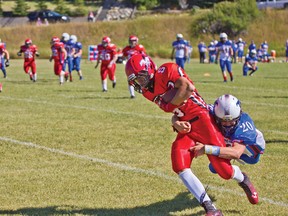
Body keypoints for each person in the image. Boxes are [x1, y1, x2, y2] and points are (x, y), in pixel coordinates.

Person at [125, 54, 259, 216]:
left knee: (224, 171)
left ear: (149, 69)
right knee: (179, 163)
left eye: (140, 77)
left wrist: (170, 108)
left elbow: (187, 88)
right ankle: (210, 208)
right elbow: (175, 109)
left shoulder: (166, 70)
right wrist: (175, 122)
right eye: (135, 80)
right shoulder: (147, 92)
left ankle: (243, 179)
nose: (139, 83)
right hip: (187, 127)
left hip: (203, 120)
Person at [173, 94, 265, 174]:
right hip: (228, 143)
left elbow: (236, 152)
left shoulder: (244, 125)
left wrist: (206, 149)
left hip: (250, 151)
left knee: (247, 159)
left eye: (232, 121)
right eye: (223, 121)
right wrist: (176, 123)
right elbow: (179, 113)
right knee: (214, 168)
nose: (228, 124)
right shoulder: (210, 111)